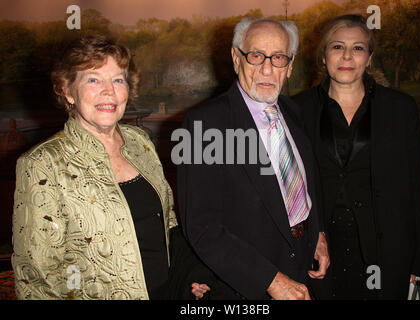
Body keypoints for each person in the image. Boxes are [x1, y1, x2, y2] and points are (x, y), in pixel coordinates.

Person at [11, 35, 212, 300]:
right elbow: (37, 281)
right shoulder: (42, 165)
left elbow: (168, 223)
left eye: (118, 79)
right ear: (68, 91)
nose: (109, 91)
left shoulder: (140, 142)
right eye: (93, 79)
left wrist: (190, 274)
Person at [177, 18, 330, 300]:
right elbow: (202, 227)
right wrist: (271, 281)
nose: (268, 68)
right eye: (256, 55)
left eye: (279, 57)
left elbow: (306, 184)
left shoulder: (293, 112)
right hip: (249, 286)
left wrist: (317, 233)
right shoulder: (205, 125)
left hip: (306, 269)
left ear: (291, 64)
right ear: (237, 58)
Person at [292, 14, 420, 300]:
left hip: (387, 246)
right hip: (321, 246)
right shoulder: (297, 109)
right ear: (323, 56)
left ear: (369, 58)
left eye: (358, 48)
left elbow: (416, 186)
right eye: (337, 47)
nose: (347, 55)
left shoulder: (400, 108)